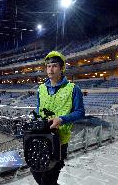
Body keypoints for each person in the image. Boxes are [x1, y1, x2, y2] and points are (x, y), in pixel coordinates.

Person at [32, 51, 85, 185]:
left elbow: (80, 112)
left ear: (62, 68)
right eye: (48, 66)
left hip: (59, 140)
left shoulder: (73, 89)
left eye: (54, 66)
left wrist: (61, 119)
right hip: (41, 137)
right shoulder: (41, 89)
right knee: (35, 170)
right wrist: (35, 119)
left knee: (49, 176)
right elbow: (38, 109)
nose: (50, 69)